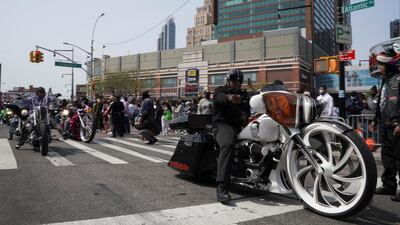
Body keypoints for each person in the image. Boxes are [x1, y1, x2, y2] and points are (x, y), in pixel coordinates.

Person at [212, 69, 251, 202]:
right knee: (228, 144)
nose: (237, 83)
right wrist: (229, 98)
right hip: (223, 125)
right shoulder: (220, 90)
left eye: (239, 81)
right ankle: (222, 186)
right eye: (234, 81)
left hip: (242, 127)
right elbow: (219, 97)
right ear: (228, 81)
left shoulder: (244, 95)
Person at [372, 44, 400, 202]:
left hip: (395, 124)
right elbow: (382, 103)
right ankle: (389, 185)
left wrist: (398, 122)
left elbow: (396, 103)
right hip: (385, 123)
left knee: (399, 157)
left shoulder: (397, 79)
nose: (379, 68)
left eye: (381, 65)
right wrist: (376, 120)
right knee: (387, 157)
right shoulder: (386, 81)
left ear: (389, 66)